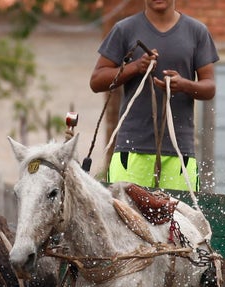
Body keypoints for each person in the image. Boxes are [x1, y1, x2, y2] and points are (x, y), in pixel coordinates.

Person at [89, 0, 218, 191]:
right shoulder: (124, 29)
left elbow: (209, 87)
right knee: (124, 217)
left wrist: (184, 85)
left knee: (180, 219)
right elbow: (97, 81)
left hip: (179, 152)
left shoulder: (197, 31)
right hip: (131, 151)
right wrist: (134, 67)